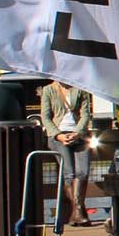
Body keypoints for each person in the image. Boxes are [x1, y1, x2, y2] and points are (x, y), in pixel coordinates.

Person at [39, 79, 94, 226]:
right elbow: (45, 116)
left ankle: (77, 212)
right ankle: (78, 211)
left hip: (79, 135)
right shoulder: (48, 90)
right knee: (68, 172)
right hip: (59, 135)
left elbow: (86, 114)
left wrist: (77, 132)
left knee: (83, 172)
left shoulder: (81, 88)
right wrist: (58, 135)